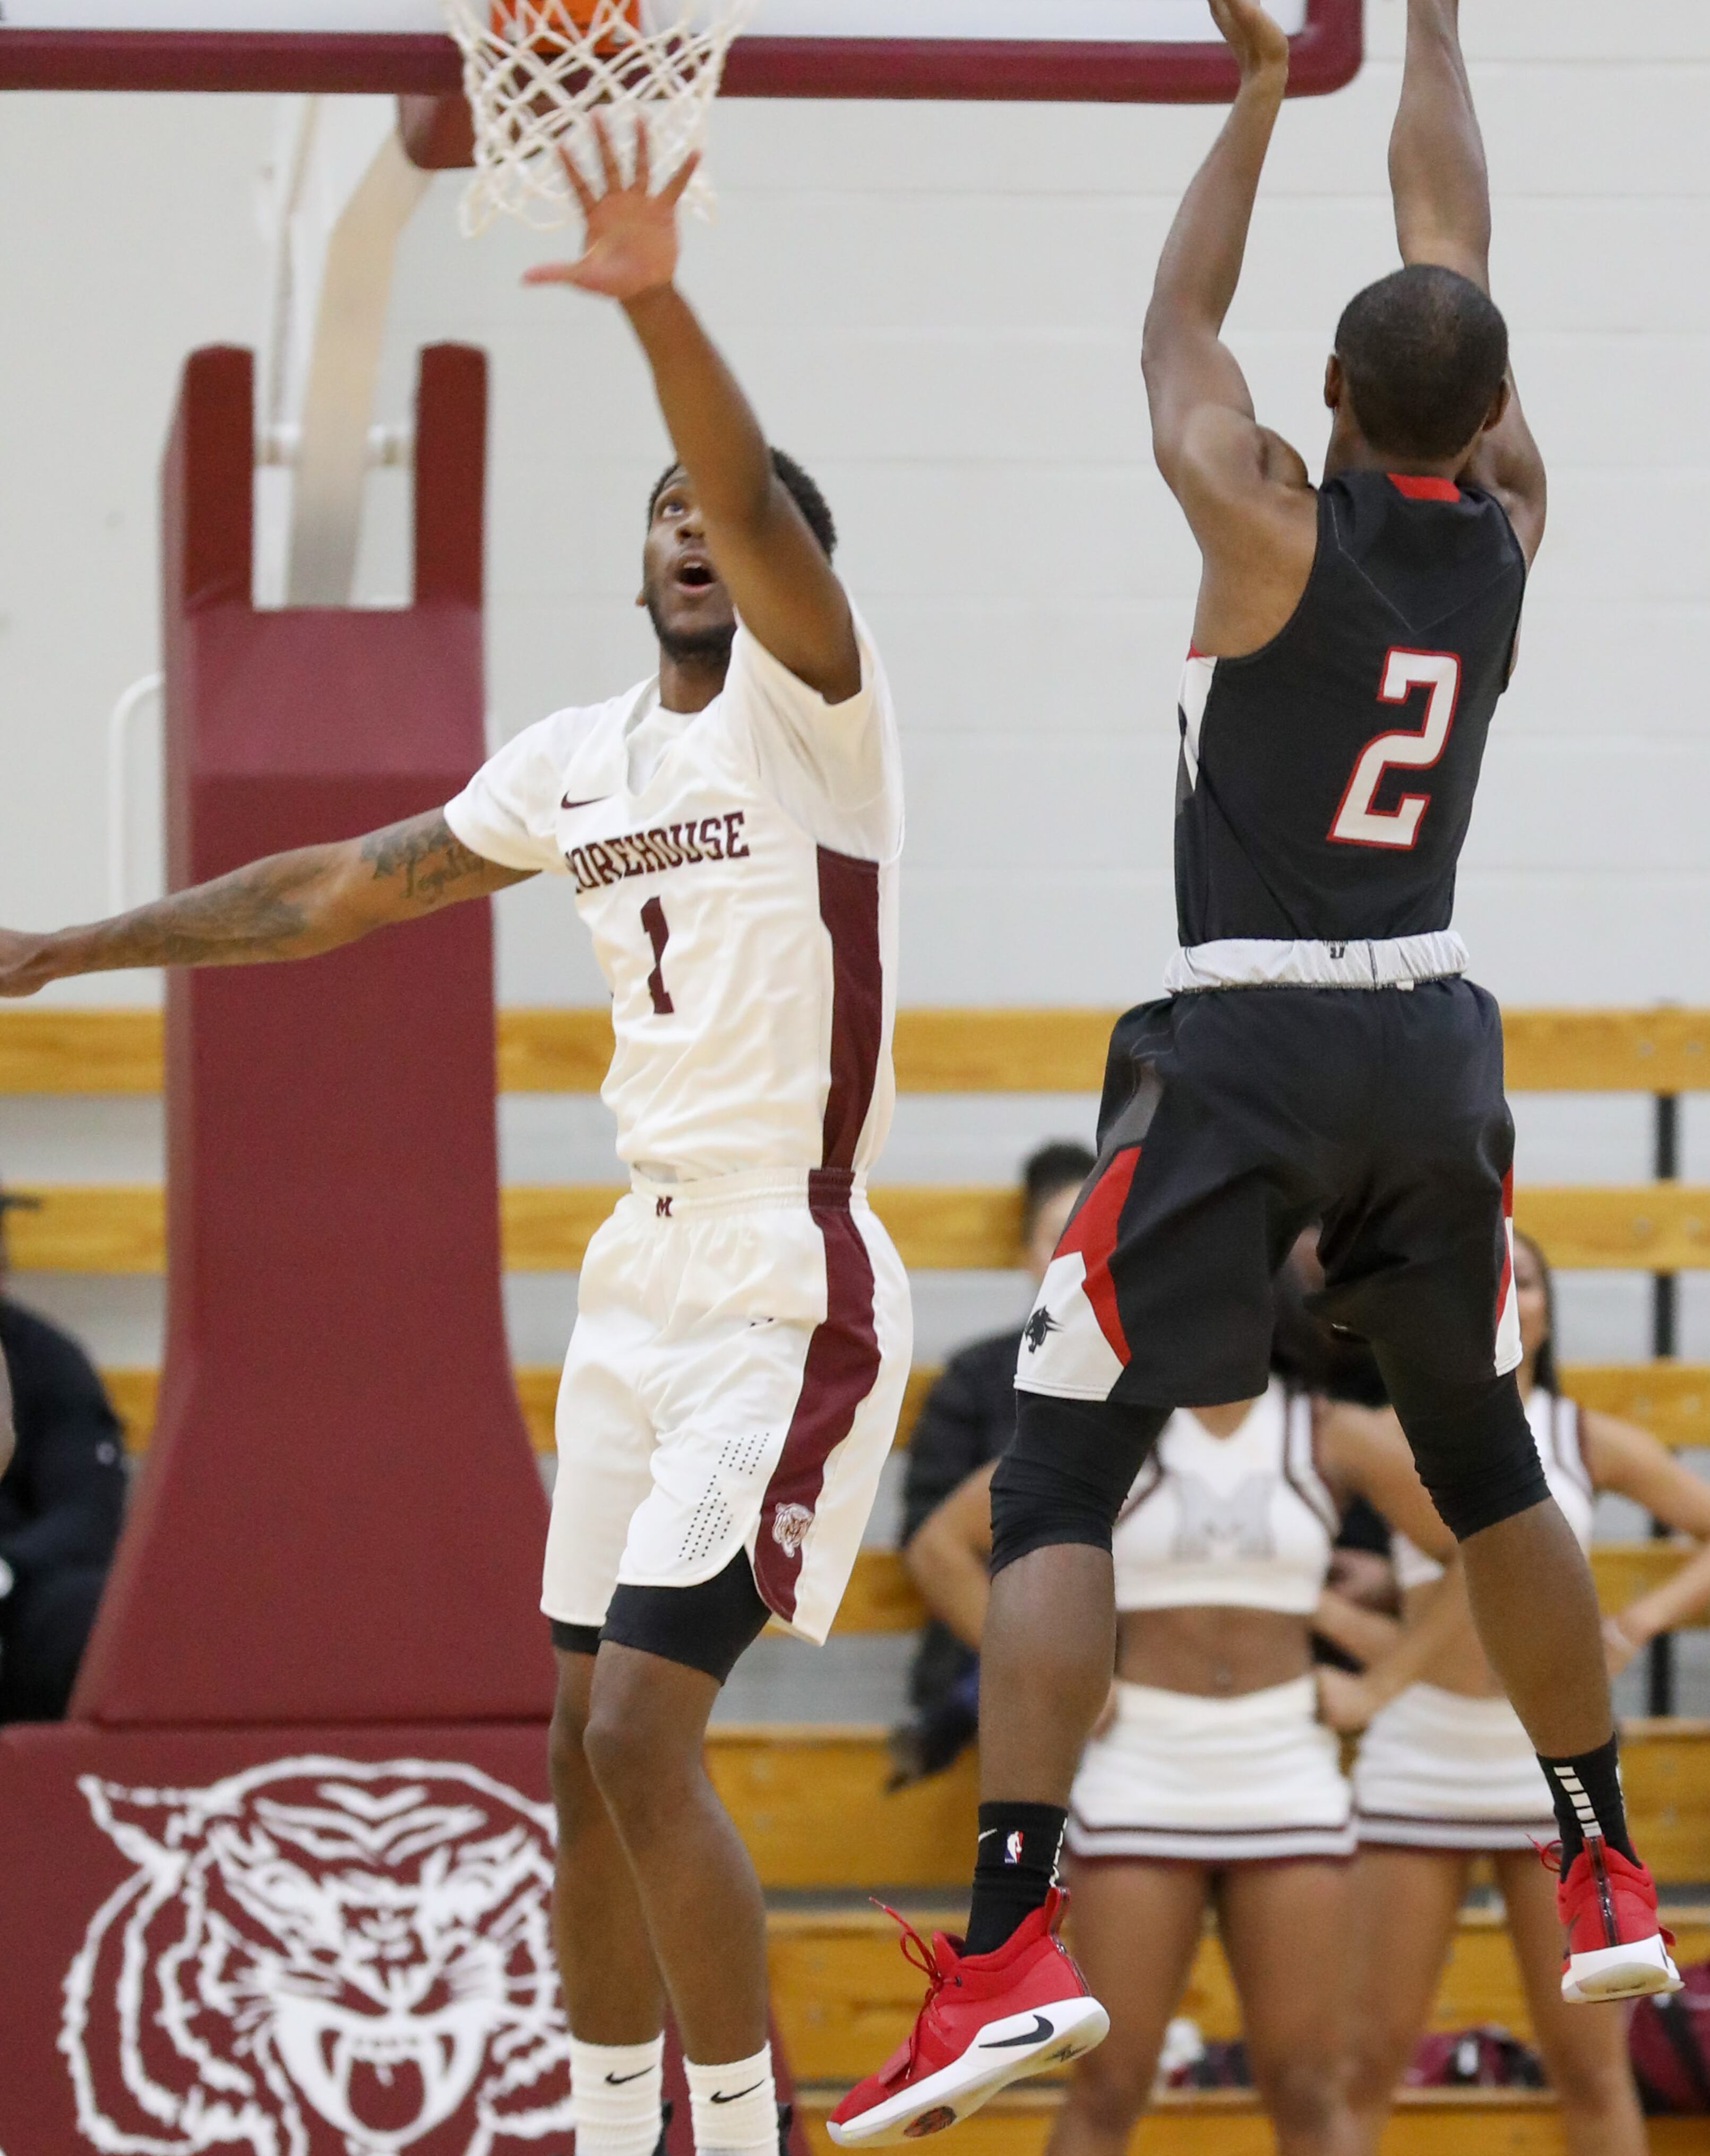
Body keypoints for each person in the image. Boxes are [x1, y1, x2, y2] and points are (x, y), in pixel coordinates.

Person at [832, 0, 1675, 2152]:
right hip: (1436, 1038)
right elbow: (1449, 238)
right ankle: (1598, 1837)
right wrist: (1431, 14)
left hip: (1245, 1039)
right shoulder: (1506, 524)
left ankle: (1010, 1934)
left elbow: (1169, 325)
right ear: (1480, 411)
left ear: (1326, 406)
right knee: (1492, 1461)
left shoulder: (1254, 519)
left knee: (1063, 1464)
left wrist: (1242, 84)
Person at [0, 126, 910, 2156]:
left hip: (787, 1266)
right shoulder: (579, 759)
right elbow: (337, 886)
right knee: (577, 1749)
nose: (693, 527)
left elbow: (757, 492)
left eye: (721, 516)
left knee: (649, 1729)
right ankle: (606, 2126)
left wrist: (656, 293)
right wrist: (72, 944)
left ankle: (747, 2129)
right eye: (662, 509)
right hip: (640, 1274)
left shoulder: (819, 718)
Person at [1319, 1236, 1710, 2156]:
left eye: (1523, 1282)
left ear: (1547, 1311)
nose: (1507, 1299)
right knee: (1362, 2063)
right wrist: (1356, 1621)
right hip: (1418, 1758)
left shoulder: (1580, 1436)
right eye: (1486, 1284)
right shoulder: (1395, 1430)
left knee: (1593, 2070)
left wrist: (1631, 1627)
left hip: (1551, 1772)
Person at [903, 1317, 1373, 2156]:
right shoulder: (1112, 1426)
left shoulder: (1324, 1425)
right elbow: (942, 1546)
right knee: (1112, 2079)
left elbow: (1474, 1544)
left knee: (1307, 2081)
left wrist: (1384, 1679)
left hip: (1289, 1767)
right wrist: (1058, 1677)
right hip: (1141, 1768)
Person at [895, 1141, 1095, 1783]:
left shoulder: (1167, 1379)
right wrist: (1042, 1659)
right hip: (1001, 1646)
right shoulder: (975, 1377)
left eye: (1095, 1235)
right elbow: (927, 1536)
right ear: (1026, 1257)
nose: (1076, 1257)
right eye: (1058, 1237)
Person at [0, 1185, 127, 1720]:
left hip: (17, 1585)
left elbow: (88, 1510)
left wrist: (5, 1569)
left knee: (93, 1609)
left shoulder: (46, 1358)